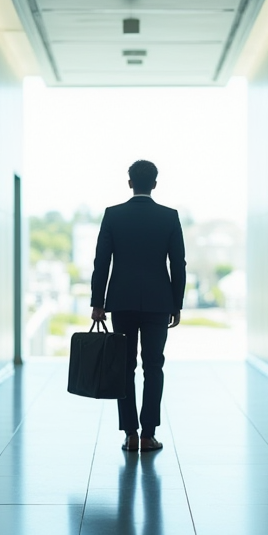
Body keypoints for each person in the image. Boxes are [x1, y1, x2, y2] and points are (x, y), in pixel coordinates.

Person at [90, 160, 186, 452]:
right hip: (159, 302)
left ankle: (130, 434)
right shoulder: (169, 217)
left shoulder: (113, 215)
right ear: (155, 184)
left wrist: (98, 303)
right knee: (154, 366)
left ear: (129, 182)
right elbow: (178, 264)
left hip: (121, 301)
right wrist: (176, 303)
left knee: (125, 367)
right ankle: (148, 435)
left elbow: (101, 262)